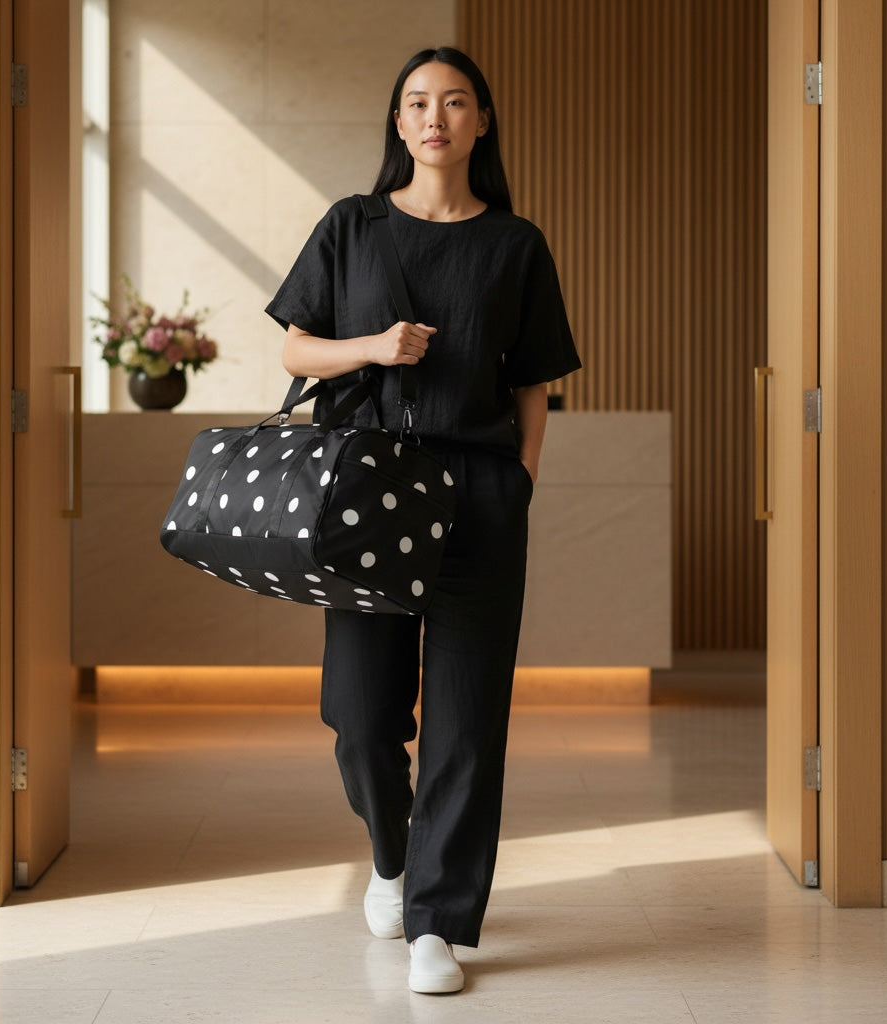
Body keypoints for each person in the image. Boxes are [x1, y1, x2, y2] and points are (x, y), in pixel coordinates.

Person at [265, 46, 581, 995]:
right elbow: (295, 346)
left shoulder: (514, 244)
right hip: (367, 493)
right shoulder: (352, 226)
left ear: (481, 121)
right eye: (416, 102)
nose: (434, 116)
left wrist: (519, 481)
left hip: (478, 495)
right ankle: (395, 861)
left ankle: (435, 925)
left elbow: (533, 383)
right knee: (360, 717)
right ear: (397, 124)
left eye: (453, 102)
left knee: (466, 720)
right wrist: (374, 345)